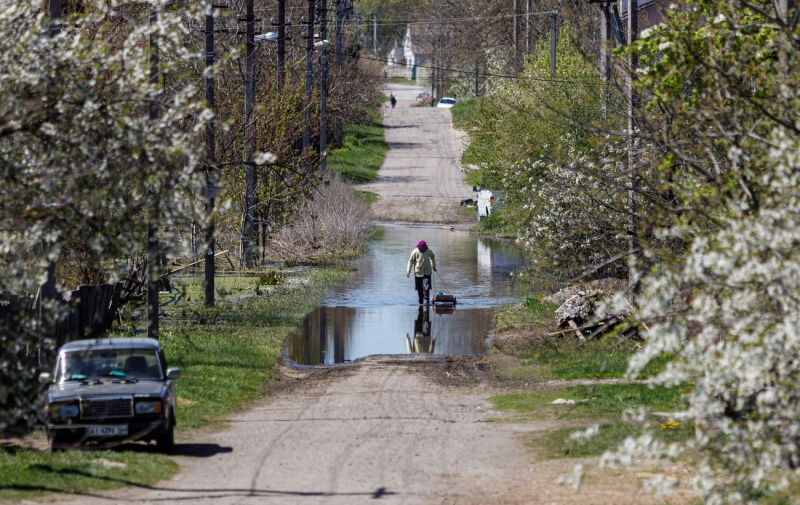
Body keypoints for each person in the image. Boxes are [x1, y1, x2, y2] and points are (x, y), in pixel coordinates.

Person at [406, 240, 436, 305]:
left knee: (426, 287)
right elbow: (410, 261)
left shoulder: (428, 251)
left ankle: (426, 300)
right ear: (419, 247)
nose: (423, 248)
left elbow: (432, 256)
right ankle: (421, 301)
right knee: (419, 288)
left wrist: (433, 266)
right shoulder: (415, 252)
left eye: (424, 247)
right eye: (422, 247)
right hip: (418, 273)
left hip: (427, 272)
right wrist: (408, 271)